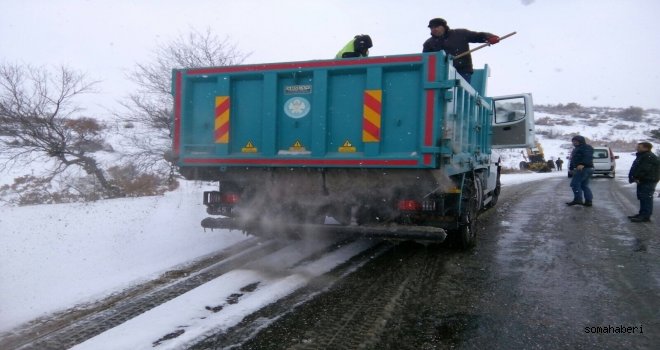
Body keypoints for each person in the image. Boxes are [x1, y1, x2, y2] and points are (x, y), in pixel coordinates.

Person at [422, 18, 500, 83]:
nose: (434, 29)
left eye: (436, 27)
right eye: (431, 28)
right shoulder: (428, 43)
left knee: (460, 93)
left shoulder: (460, 34)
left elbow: (477, 36)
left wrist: (489, 37)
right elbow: (425, 61)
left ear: (444, 27)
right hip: (440, 74)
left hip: (462, 71)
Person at [627, 142, 660, 222]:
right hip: (645, 179)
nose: (637, 148)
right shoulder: (644, 155)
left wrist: (637, 177)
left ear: (646, 148)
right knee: (642, 197)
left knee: (646, 198)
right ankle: (642, 213)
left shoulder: (648, 156)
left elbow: (644, 169)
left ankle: (645, 216)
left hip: (648, 180)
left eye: (639, 147)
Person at [567, 135, 594, 206]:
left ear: (581, 141)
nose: (574, 143)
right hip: (584, 168)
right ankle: (588, 201)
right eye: (573, 141)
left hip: (584, 168)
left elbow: (588, 157)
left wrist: (582, 164)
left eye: (576, 141)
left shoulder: (586, 147)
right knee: (584, 185)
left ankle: (578, 200)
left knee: (574, 184)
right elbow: (573, 159)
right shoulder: (576, 149)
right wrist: (571, 168)